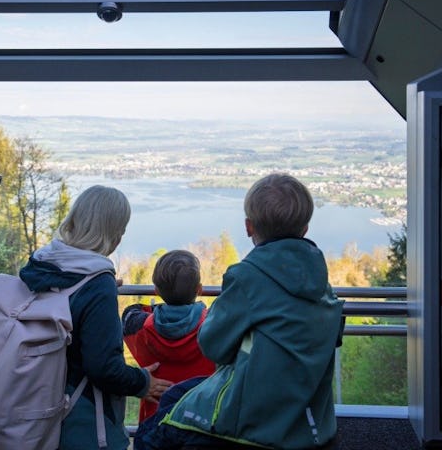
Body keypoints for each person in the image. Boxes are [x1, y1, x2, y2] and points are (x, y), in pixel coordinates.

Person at [136, 173, 345, 450]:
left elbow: (213, 346)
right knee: (178, 394)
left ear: (248, 227)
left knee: (150, 435)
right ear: (305, 228)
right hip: (306, 418)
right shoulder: (322, 286)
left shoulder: (247, 278)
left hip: (253, 419)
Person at [18, 185, 173, 450]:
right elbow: (103, 366)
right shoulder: (97, 284)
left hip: (37, 403)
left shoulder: (44, 263)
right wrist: (142, 383)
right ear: (114, 231)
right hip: (82, 421)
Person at [121, 250, 216, 423]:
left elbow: (130, 313)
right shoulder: (215, 327)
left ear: (156, 291)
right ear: (199, 290)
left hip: (155, 426)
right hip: (202, 423)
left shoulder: (140, 328)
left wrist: (162, 309)